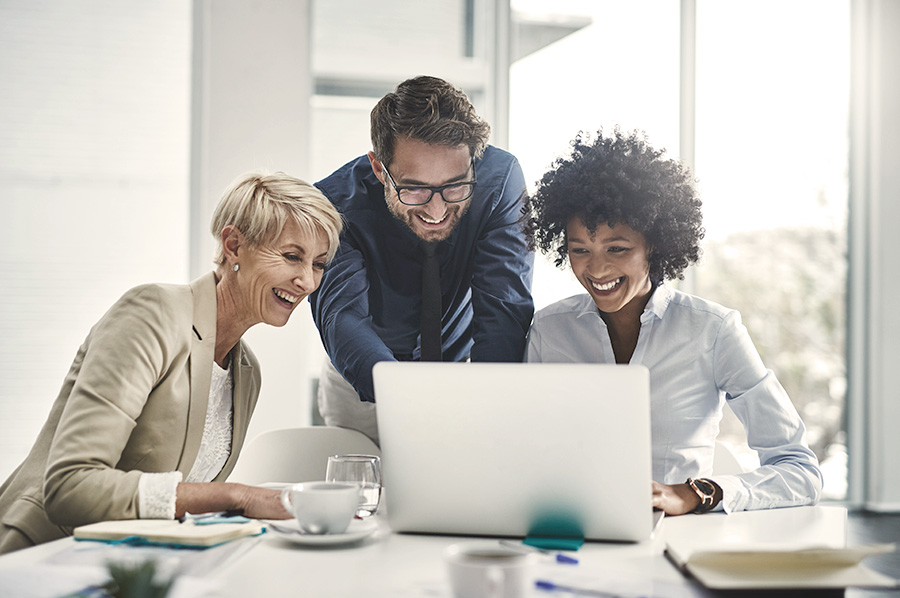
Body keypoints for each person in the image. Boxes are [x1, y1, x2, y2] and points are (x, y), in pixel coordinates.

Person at [0, 171, 343, 554]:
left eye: (318, 264)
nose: (308, 282)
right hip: (42, 557)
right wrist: (233, 495)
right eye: (291, 256)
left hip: (137, 568)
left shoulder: (247, 372)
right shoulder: (153, 313)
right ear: (233, 245)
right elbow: (71, 486)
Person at [524, 129, 823, 515]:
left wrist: (693, 493)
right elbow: (525, 450)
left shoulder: (713, 331)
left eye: (617, 248)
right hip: (572, 530)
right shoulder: (550, 331)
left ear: (655, 245)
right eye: (580, 250)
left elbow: (800, 471)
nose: (596, 269)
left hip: (676, 539)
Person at [310, 75, 534, 444]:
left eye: (454, 185)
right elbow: (343, 317)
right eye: (414, 188)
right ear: (380, 168)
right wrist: (412, 402)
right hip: (364, 386)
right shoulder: (332, 204)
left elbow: (503, 309)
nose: (436, 208)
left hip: (464, 373)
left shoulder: (499, 180)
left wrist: (491, 406)